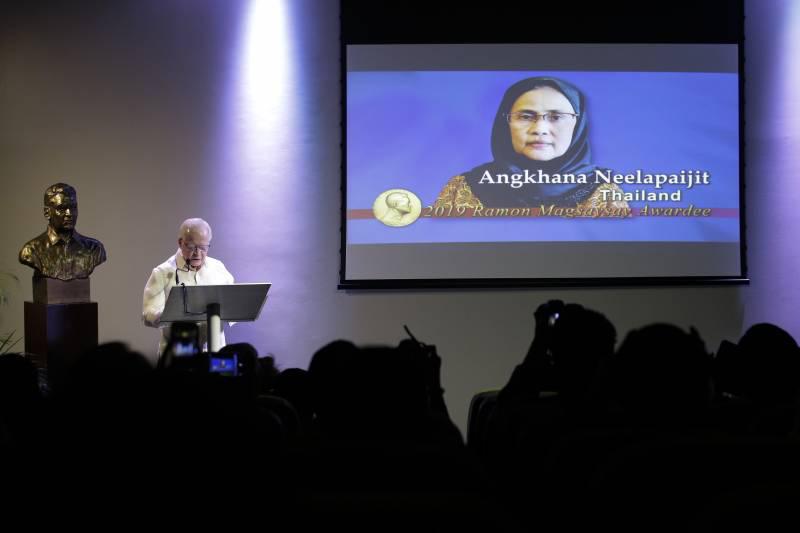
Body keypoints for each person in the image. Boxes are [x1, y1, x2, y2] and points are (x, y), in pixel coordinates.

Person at [433, 77, 627, 210]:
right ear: (505, 123)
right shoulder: (464, 188)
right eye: (526, 116)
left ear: (578, 126)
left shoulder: (603, 193)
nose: (540, 128)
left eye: (556, 117)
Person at [142, 218, 234, 356]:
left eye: (203, 248)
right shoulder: (163, 272)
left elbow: (232, 302)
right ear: (180, 243)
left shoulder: (218, 268)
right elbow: (148, 314)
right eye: (191, 247)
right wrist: (168, 314)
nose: (198, 253)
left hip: (215, 351)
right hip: (178, 353)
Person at [19, 183, 106, 280]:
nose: (69, 214)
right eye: (61, 209)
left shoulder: (94, 249)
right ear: (47, 213)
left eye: (73, 207)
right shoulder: (32, 250)